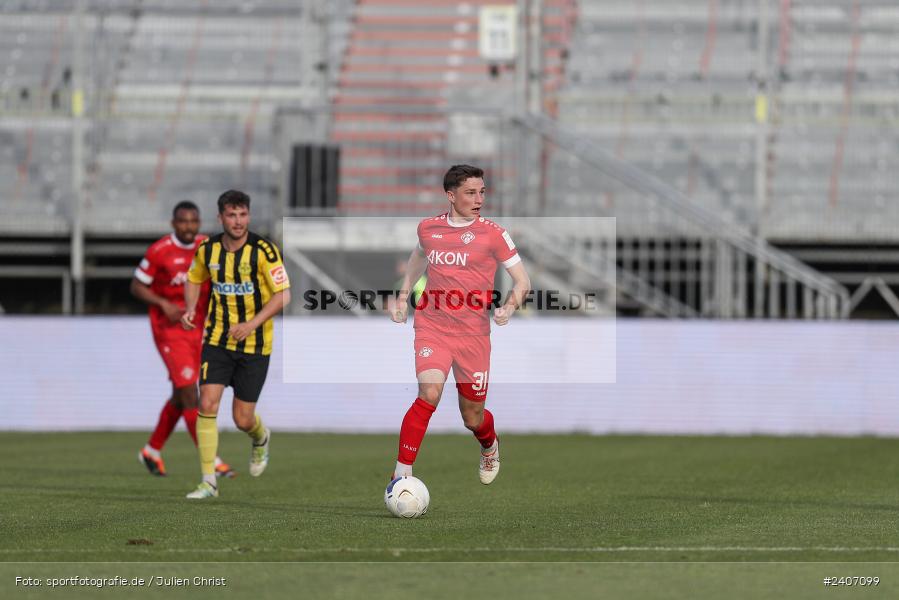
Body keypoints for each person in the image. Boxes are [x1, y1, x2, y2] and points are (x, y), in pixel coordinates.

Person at [390, 165, 531, 484]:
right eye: (470, 192)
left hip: (473, 335)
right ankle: (401, 474)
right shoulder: (428, 229)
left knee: (473, 417)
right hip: (432, 326)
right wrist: (402, 295)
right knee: (429, 392)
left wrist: (509, 307)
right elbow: (419, 256)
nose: (478, 198)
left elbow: (523, 281)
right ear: (450, 195)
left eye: (482, 192)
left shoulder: (494, 234)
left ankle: (489, 445)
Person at [181, 190, 291, 499]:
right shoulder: (208, 250)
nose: (238, 221)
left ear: (249, 216)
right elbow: (193, 279)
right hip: (217, 340)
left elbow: (284, 294)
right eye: (232, 215)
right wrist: (190, 308)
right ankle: (208, 481)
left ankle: (260, 437)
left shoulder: (265, 251)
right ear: (220, 218)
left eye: (243, 215)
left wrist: (251, 324)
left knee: (242, 418)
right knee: (206, 404)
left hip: (255, 345)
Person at [131, 200, 234, 478]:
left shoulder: (207, 247)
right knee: (190, 392)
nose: (189, 226)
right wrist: (163, 303)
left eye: (193, 221)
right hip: (169, 330)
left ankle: (151, 450)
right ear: (173, 224)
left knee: (180, 394)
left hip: (198, 329)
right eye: (183, 221)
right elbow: (137, 286)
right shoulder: (159, 251)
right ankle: (211, 460)